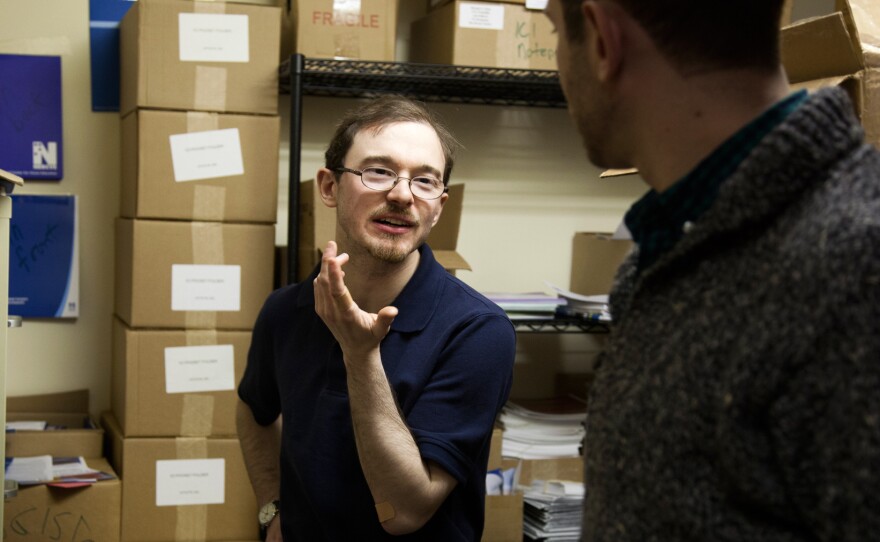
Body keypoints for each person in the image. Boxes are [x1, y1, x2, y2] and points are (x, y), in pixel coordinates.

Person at [544, 0, 880, 540]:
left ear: (604, 40)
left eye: (558, 33)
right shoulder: (670, 252)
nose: (559, 64)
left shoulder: (857, 265)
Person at [236, 95, 516, 541]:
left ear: (438, 207)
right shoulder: (284, 311)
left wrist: (360, 353)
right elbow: (255, 410)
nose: (403, 194)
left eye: (425, 181)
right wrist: (272, 510)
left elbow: (405, 513)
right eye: (379, 171)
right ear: (329, 187)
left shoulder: (479, 332)